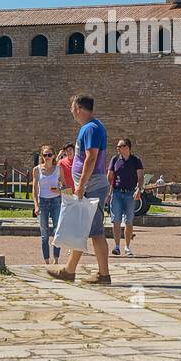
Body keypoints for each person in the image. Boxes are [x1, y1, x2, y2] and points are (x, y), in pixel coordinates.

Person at [48, 94, 111, 285]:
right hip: (91, 185)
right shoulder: (93, 126)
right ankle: (69, 270)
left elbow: (91, 158)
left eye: (72, 107)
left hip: (91, 186)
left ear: (78, 108)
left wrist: (81, 185)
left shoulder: (90, 128)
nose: (71, 111)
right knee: (82, 229)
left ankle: (103, 275)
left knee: (96, 232)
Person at [106, 138, 144, 257]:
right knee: (116, 220)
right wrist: (109, 190)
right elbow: (110, 176)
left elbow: (141, 176)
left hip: (130, 193)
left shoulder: (135, 160)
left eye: (120, 146)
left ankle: (127, 247)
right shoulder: (115, 159)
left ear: (127, 147)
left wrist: (139, 189)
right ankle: (117, 246)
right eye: (117, 146)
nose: (118, 148)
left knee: (129, 221)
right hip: (117, 193)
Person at [32, 144, 63, 264]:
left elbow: (66, 188)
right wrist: (36, 205)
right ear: (42, 156)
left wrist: (59, 190)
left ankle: (56, 259)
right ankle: (46, 261)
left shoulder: (58, 169)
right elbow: (34, 189)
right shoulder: (37, 170)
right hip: (43, 201)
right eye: (45, 155)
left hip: (56, 200)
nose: (47, 157)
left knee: (57, 231)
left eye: (50, 155)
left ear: (54, 156)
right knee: (44, 234)